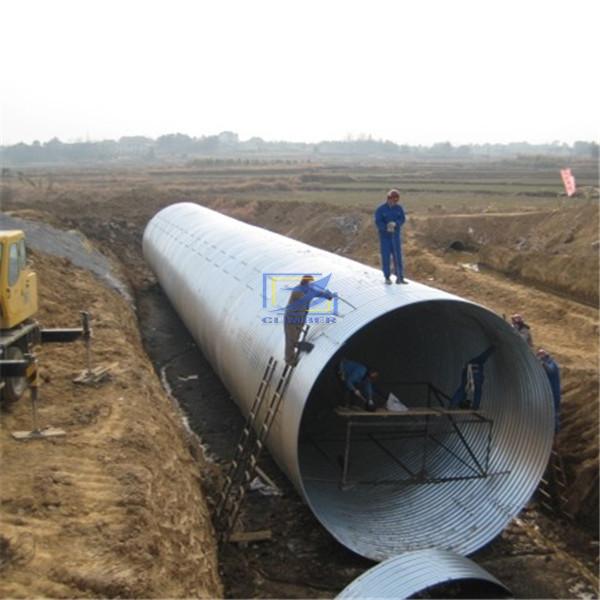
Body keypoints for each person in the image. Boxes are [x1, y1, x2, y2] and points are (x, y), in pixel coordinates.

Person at [284, 275, 335, 366]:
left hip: (300, 318)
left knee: (296, 336)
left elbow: (317, 293)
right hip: (291, 319)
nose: (309, 285)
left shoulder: (309, 289)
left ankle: (296, 349)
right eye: (308, 283)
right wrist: (321, 293)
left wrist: (327, 295)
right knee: (290, 340)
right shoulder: (297, 291)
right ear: (304, 283)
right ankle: (289, 360)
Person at [374, 189, 407, 285]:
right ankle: (387, 277)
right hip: (385, 237)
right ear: (389, 199)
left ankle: (400, 277)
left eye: (396, 201)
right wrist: (385, 228)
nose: (395, 202)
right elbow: (378, 221)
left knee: (398, 257)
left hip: (395, 236)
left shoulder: (399, 208)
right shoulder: (381, 209)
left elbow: (402, 219)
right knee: (386, 257)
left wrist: (396, 224)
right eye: (393, 200)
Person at [450, 346, 495, 410]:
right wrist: (493, 348)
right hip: (476, 371)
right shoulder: (478, 360)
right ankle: (475, 406)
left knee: (463, 388)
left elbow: (464, 387)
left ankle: (453, 404)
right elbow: (485, 354)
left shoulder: (473, 362)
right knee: (477, 390)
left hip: (468, 370)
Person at [537, 348, 561, 432]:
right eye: (539, 355)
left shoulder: (552, 363)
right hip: (546, 394)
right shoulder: (542, 365)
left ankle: (556, 433)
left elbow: (550, 370)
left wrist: (542, 364)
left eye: (542, 355)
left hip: (554, 394)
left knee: (554, 415)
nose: (541, 357)